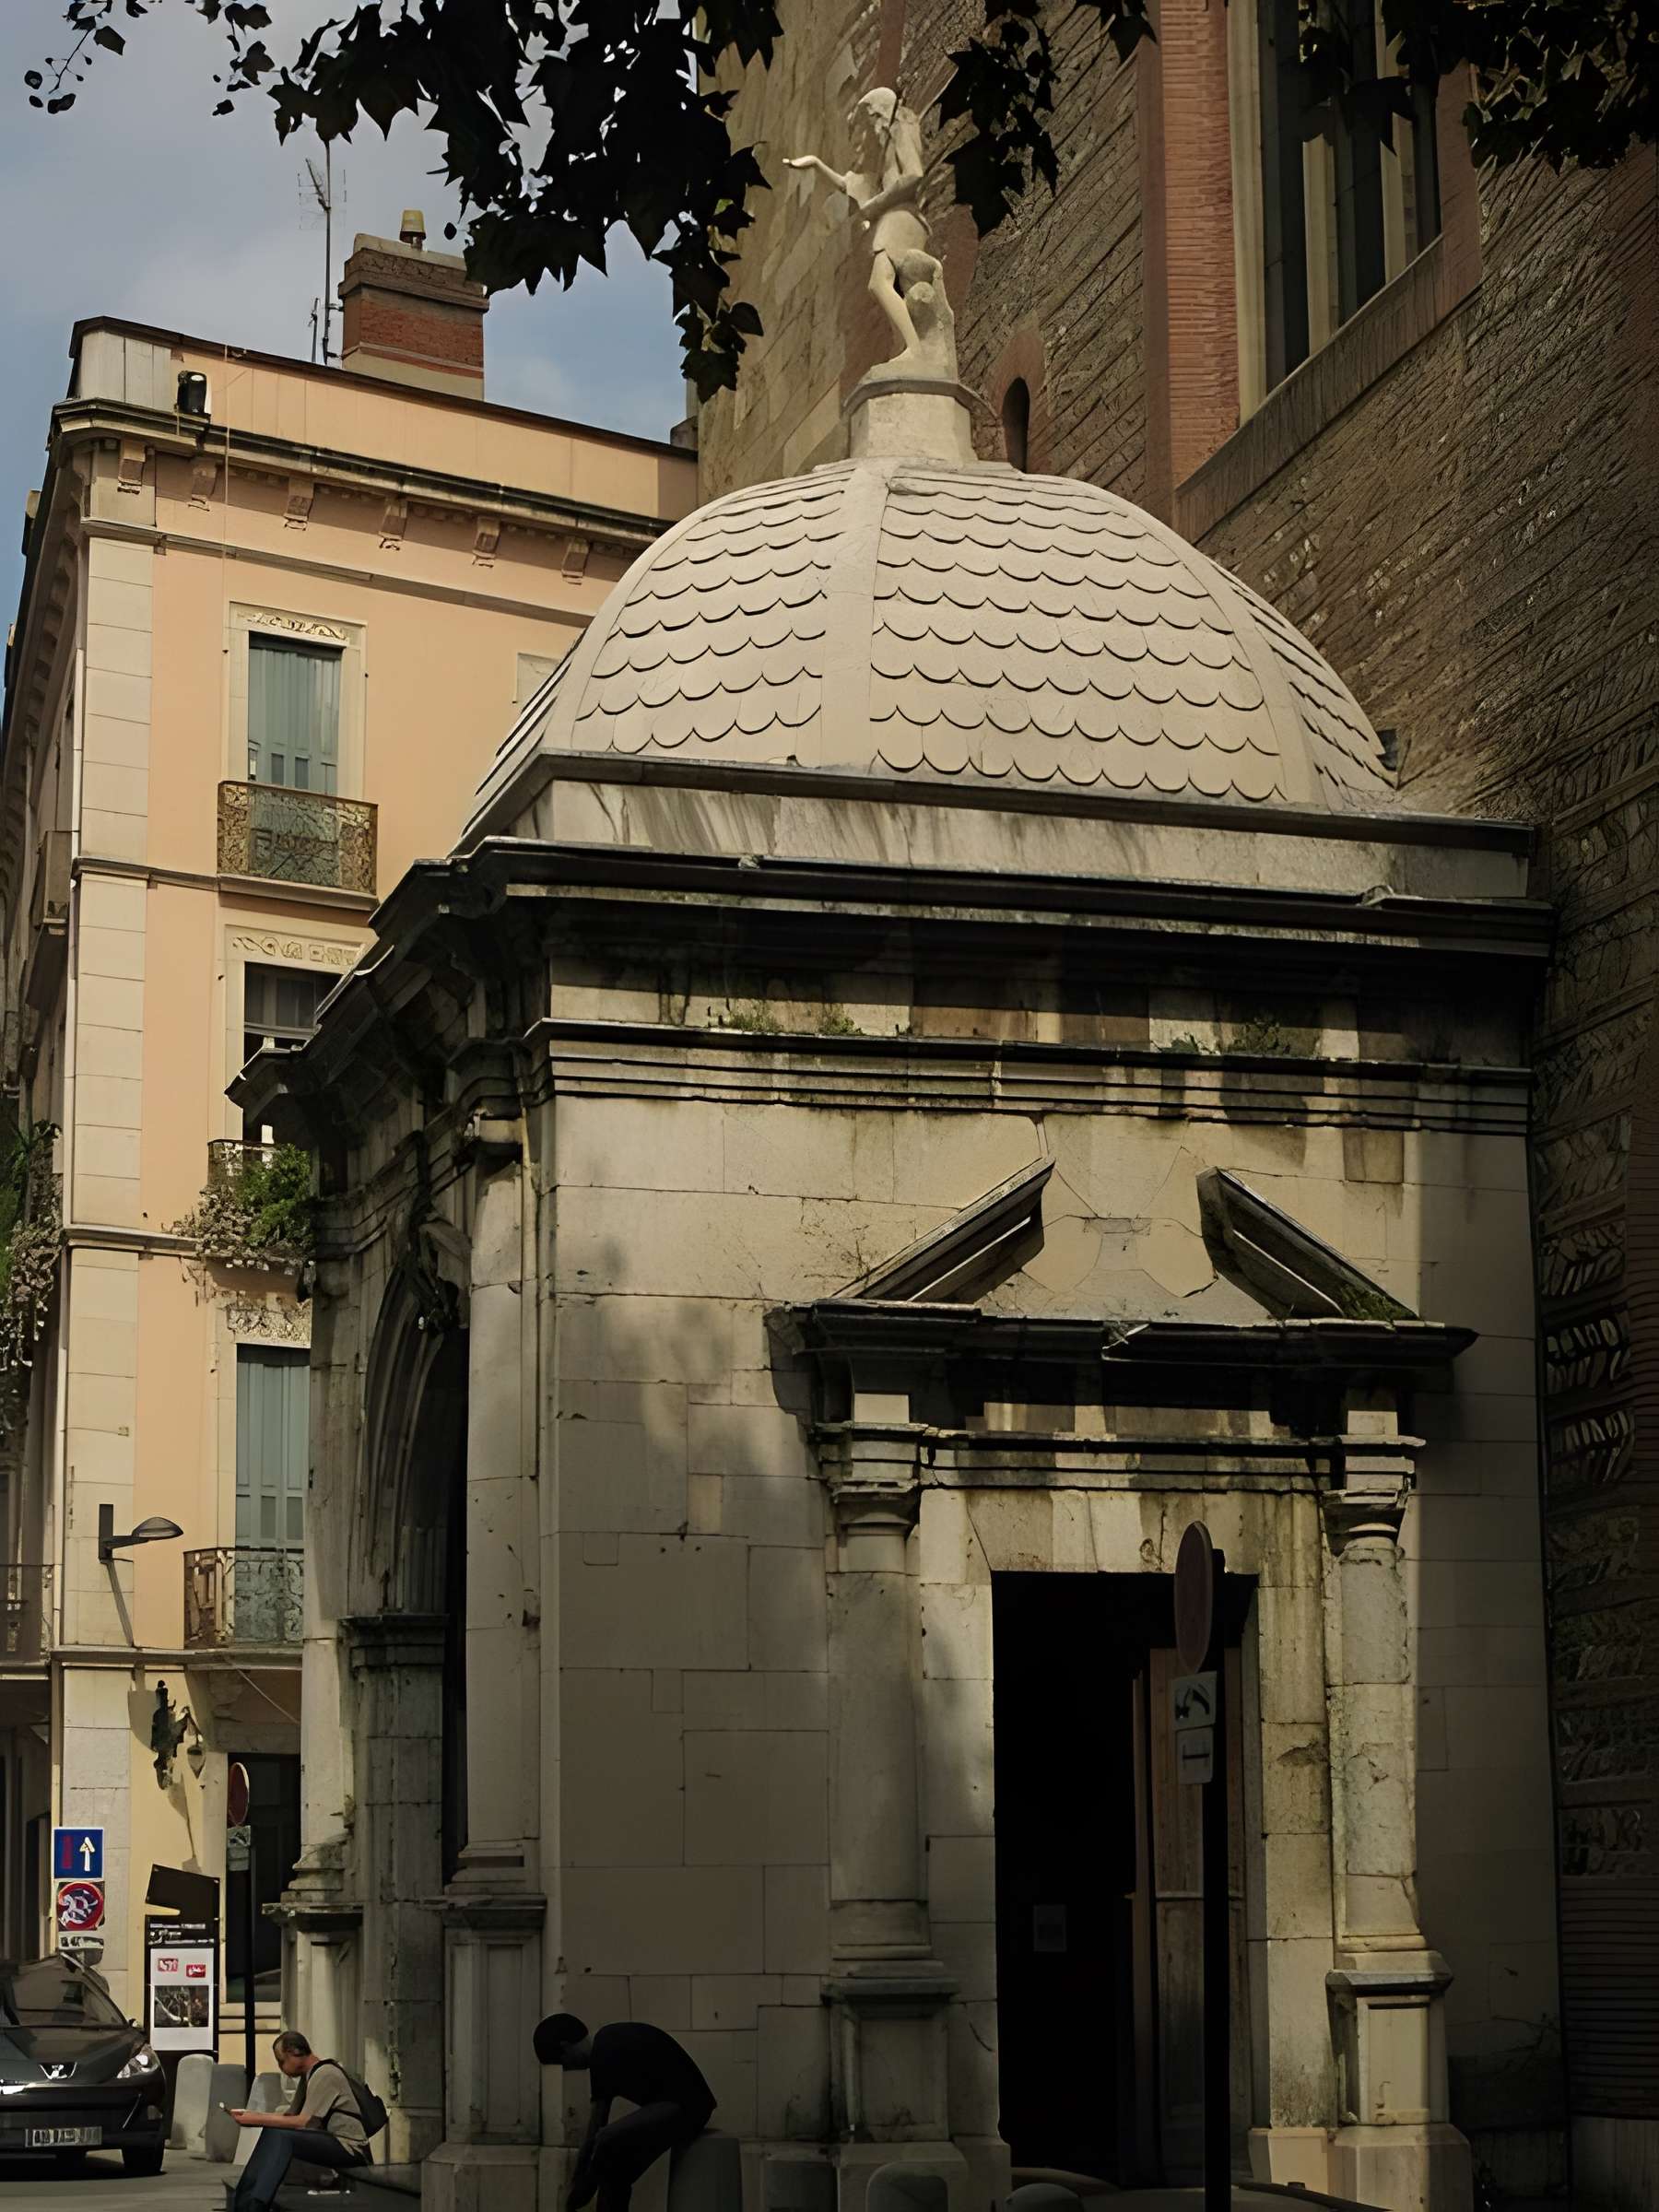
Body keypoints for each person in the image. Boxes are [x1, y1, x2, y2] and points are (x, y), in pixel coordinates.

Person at [535, 2013, 716, 2212]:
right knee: (615, 2170)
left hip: (686, 2107)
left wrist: (579, 2186)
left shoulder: (603, 2053)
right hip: (680, 2106)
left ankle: (581, 2197)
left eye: (562, 2063)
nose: (566, 2070)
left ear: (565, 2046)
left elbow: (596, 2128)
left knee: (607, 2138)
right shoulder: (608, 2040)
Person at [229, 2030, 371, 2209]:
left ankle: (256, 2204)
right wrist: (249, 2115)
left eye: (281, 2061)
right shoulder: (310, 2076)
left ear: (293, 2053)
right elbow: (289, 2116)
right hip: (330, 2141)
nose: (281, 2067)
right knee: (273, 2133)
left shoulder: (326, 2073)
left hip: (350, 2147)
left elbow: (303, 2122)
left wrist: (255, 2120)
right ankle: (244, 2200)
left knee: (281, 2136)